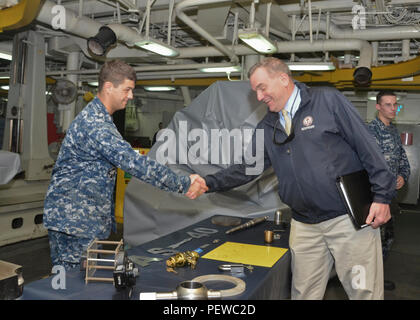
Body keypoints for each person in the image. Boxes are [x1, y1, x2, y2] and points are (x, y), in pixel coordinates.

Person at [195, 57, 396, 300]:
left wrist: (382, 196)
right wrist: (208, 182)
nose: (259, 97)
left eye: (262, 88)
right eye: (255, 91)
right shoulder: (268, 126)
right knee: (303, 294)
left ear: (283, 79)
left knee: (364, 293)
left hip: (346, 219)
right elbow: (249, 168)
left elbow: (368, 147)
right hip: (303, 225)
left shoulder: (327, 102)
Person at [43, 60, 206, 270]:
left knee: (76, 282)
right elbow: (133, 162)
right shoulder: (95, 124)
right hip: (75, 222)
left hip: (79, 219)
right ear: (109, 87)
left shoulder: (100, 118)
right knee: (72, 284)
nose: (131, 96)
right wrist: (184, 183)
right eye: (127, 90)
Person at [368, 91, 410, 290]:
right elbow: (369, 165)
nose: (393, 108)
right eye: (388, 105)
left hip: (390, 197)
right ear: (378, 107)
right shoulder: (370, 131)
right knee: (371, 240)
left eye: (395, 105)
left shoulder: (393, 131)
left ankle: (377, 276)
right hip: (374, 197)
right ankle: (368, 279)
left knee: (387, 238)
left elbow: (402, 158)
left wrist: (403, 175)